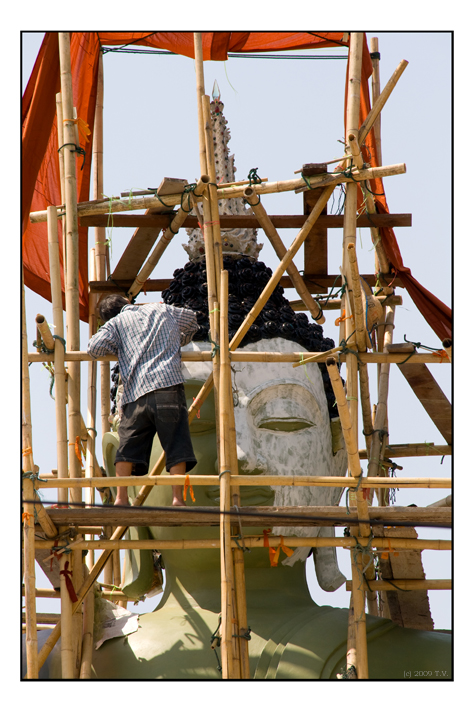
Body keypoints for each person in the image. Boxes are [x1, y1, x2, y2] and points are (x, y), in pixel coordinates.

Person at [87, 294, 199, 507]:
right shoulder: (162, 309)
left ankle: (120, 499)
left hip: (135, 393)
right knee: (176, 443)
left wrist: (120, 347)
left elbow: (94, 348)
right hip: (167, 385)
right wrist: (175, 339)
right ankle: (177, 500)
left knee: (127, 448)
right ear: (127, 303)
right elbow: (192, 320)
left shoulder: (116, 323)